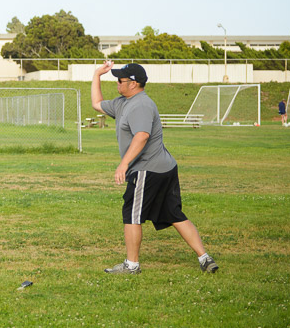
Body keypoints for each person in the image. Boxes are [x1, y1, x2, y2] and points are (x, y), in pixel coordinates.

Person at [91, 61, 218, 274]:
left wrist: (124, 164)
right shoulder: (123, 102)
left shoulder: (141, 105)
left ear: (133, 84)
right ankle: (205, 258)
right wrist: (97, 75)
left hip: (147, 169)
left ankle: (132, 266)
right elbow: (97, 103)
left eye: (120, 80)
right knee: (174, 213)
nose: (117, 83)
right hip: (164, 167)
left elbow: (142, 136)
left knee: (132, 214)